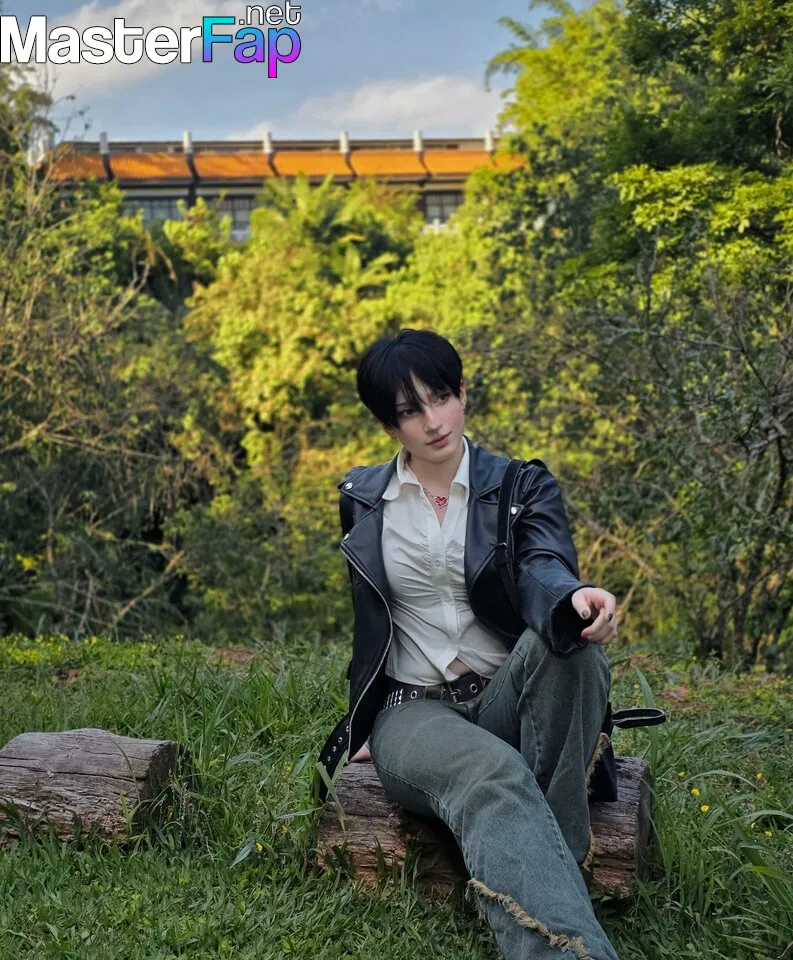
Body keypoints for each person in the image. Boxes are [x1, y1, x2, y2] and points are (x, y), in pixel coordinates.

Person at [316, 328, 620, 960]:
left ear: (463, 393)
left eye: (441, 397)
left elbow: (542, 564)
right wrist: (364, 719)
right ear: (389, 425)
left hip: (508, 695)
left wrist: (571, 598)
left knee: (575, 651)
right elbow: (372, 625)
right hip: (414, 711)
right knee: (492, 772)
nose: (433, 421)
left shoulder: (520, 487)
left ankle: (548, 879)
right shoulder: (363, 500)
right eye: (410, 411)